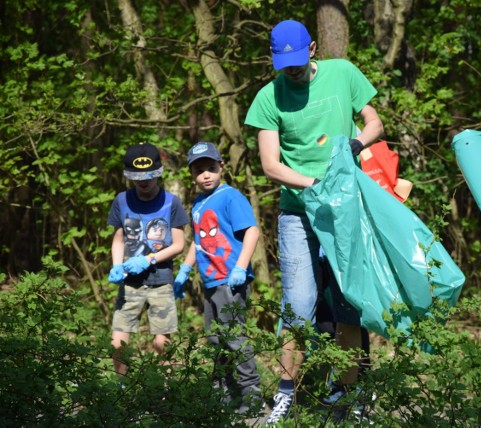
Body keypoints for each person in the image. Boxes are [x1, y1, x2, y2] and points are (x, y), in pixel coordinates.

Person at [244, 19, 384, 424]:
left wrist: (355, 144)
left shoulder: (343, 73)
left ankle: (350, 394)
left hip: (345, 210)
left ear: (313, 48)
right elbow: (271, 166)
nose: (291, 69)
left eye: (297, 59)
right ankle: (286, 393)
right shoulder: (268, 97)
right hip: (298, 213)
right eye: (282, 62)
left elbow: (374, 122)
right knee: (300, 306)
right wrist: (315, 184)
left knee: (347, 304)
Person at [172, 141, 263, 414]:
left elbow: (252, 231)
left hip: (230, 280)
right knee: (215, 339)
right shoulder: (199, 202)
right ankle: (222, 395)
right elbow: (198, 241)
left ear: (221, 167)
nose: (206, 175)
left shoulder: (230, 196)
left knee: (234, 337)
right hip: (211, 281)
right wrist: (184, 271)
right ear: (192, 175)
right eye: (200, 171)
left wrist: (240, 267)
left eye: (211, 168)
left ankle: (253, 397)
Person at [107, 142, 189, 377]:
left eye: (148, 176)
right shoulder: (121, 201)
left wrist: (149, 259)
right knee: (117, 344)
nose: (143, 181)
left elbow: (179, 245)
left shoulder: (170, 202)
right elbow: (118, 239)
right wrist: (117, 266)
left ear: (158, 173)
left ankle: (163, 390)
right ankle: (123, 387)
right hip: (130, 283)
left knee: (162, 344)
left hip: (161, 281)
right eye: (137, 177)